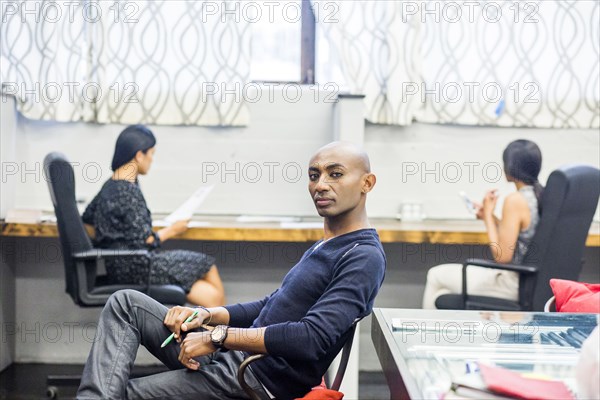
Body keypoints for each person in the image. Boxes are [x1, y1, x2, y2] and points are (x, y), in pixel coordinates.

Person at [77, 141, 387, 400]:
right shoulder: (329, 243)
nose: (320, 185)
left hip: (253, 379)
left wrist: (218, 337)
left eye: (335, 175)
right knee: (125, 303)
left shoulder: (363, 257)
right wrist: (208, 315)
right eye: (314, 175)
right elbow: (271, 305)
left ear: (367, 183)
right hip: (232, 355)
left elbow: (309, 339)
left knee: (119, 393)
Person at [82, 125, 225, 307]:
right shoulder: (128, 191)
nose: (152, 159)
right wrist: (174, 230)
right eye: (151, 153)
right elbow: (147, 241)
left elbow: (87, 222)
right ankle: (219, 330)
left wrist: (112, 241)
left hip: (119, 268)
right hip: (139, 268)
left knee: (208, 294)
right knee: (207, 264)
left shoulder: (109, 186)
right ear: (139, 155)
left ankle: (214, 329)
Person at [422, 139, 544, 309]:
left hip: (512, 283)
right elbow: (522, 235)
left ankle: (427, 334)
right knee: (440, 295)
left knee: (435, 276)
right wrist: (491, 217)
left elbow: (502, 256)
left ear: (509, 167)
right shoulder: (539, 195)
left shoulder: (515, 200)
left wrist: (487, 215)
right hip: (530, 281)